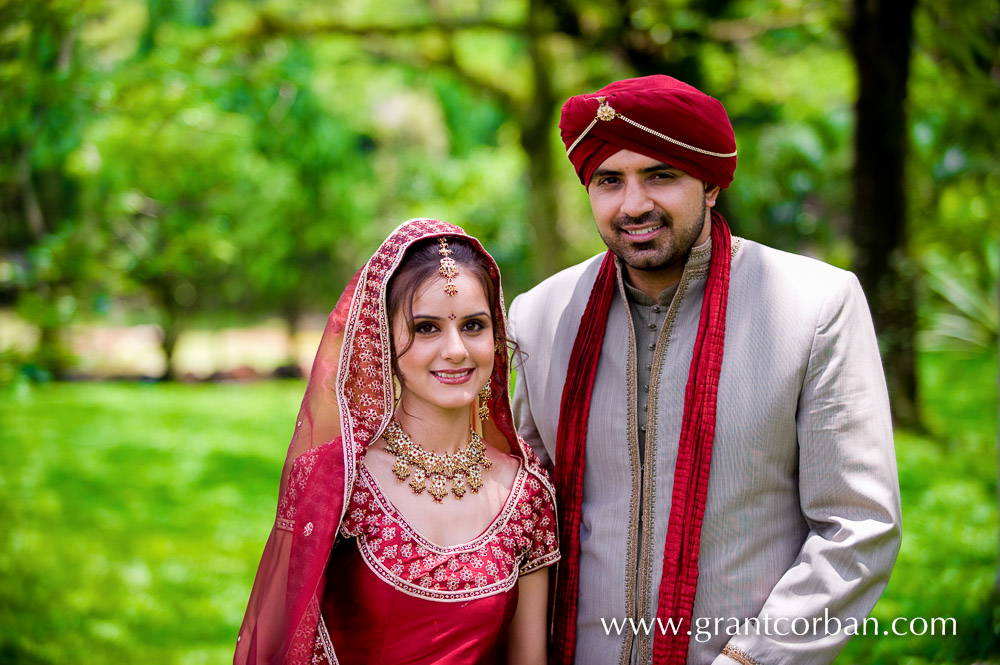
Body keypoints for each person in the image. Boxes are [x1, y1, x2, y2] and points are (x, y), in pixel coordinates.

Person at [508, 75, 901, 665]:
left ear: (711, 183)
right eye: (609, 181)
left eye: (660, 175)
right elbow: (523, 516)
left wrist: (751, 659)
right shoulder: (539, 316)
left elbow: (857, 525)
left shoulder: (812, 305)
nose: (633, 204)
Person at [235, 219, 559, 665]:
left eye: (473, 325)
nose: (456, 350)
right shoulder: (340, 480)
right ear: (382, 340)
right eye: (426, 328)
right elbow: (283, 644)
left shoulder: (526, 494)